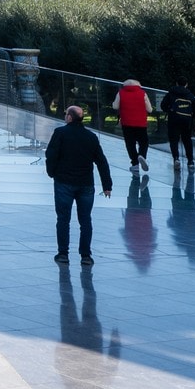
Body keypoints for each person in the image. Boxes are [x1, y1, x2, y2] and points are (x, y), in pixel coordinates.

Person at [45, 105, 114, 266]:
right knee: (85, 220)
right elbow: (101, 161)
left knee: (63, 219)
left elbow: (51, 154)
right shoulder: (90, 136)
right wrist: (107, 185)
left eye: (65, 114)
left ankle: (63, 254)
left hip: (64, 182)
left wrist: (52, 173)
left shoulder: (60, 133)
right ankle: (86, 256)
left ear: (69, 117)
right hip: (86, 184)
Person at [160, 77, 195, 170]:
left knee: (174, 140)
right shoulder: (190, 95)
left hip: (174, 119)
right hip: (187, 121)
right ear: (186, 84)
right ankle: (190, 161)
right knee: (187, 141)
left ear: (177, 83)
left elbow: (163, 106)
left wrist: (170, 110)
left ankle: (176, 158)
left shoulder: (171, 93)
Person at [116, 79, 152, 170]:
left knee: (130, 143)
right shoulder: (142, 93)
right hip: (141, 123)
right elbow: (150, 109)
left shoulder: (121, 93)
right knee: (143, 142)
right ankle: (142, 155)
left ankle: (134, 163)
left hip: (126, 123)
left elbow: (115, 106)